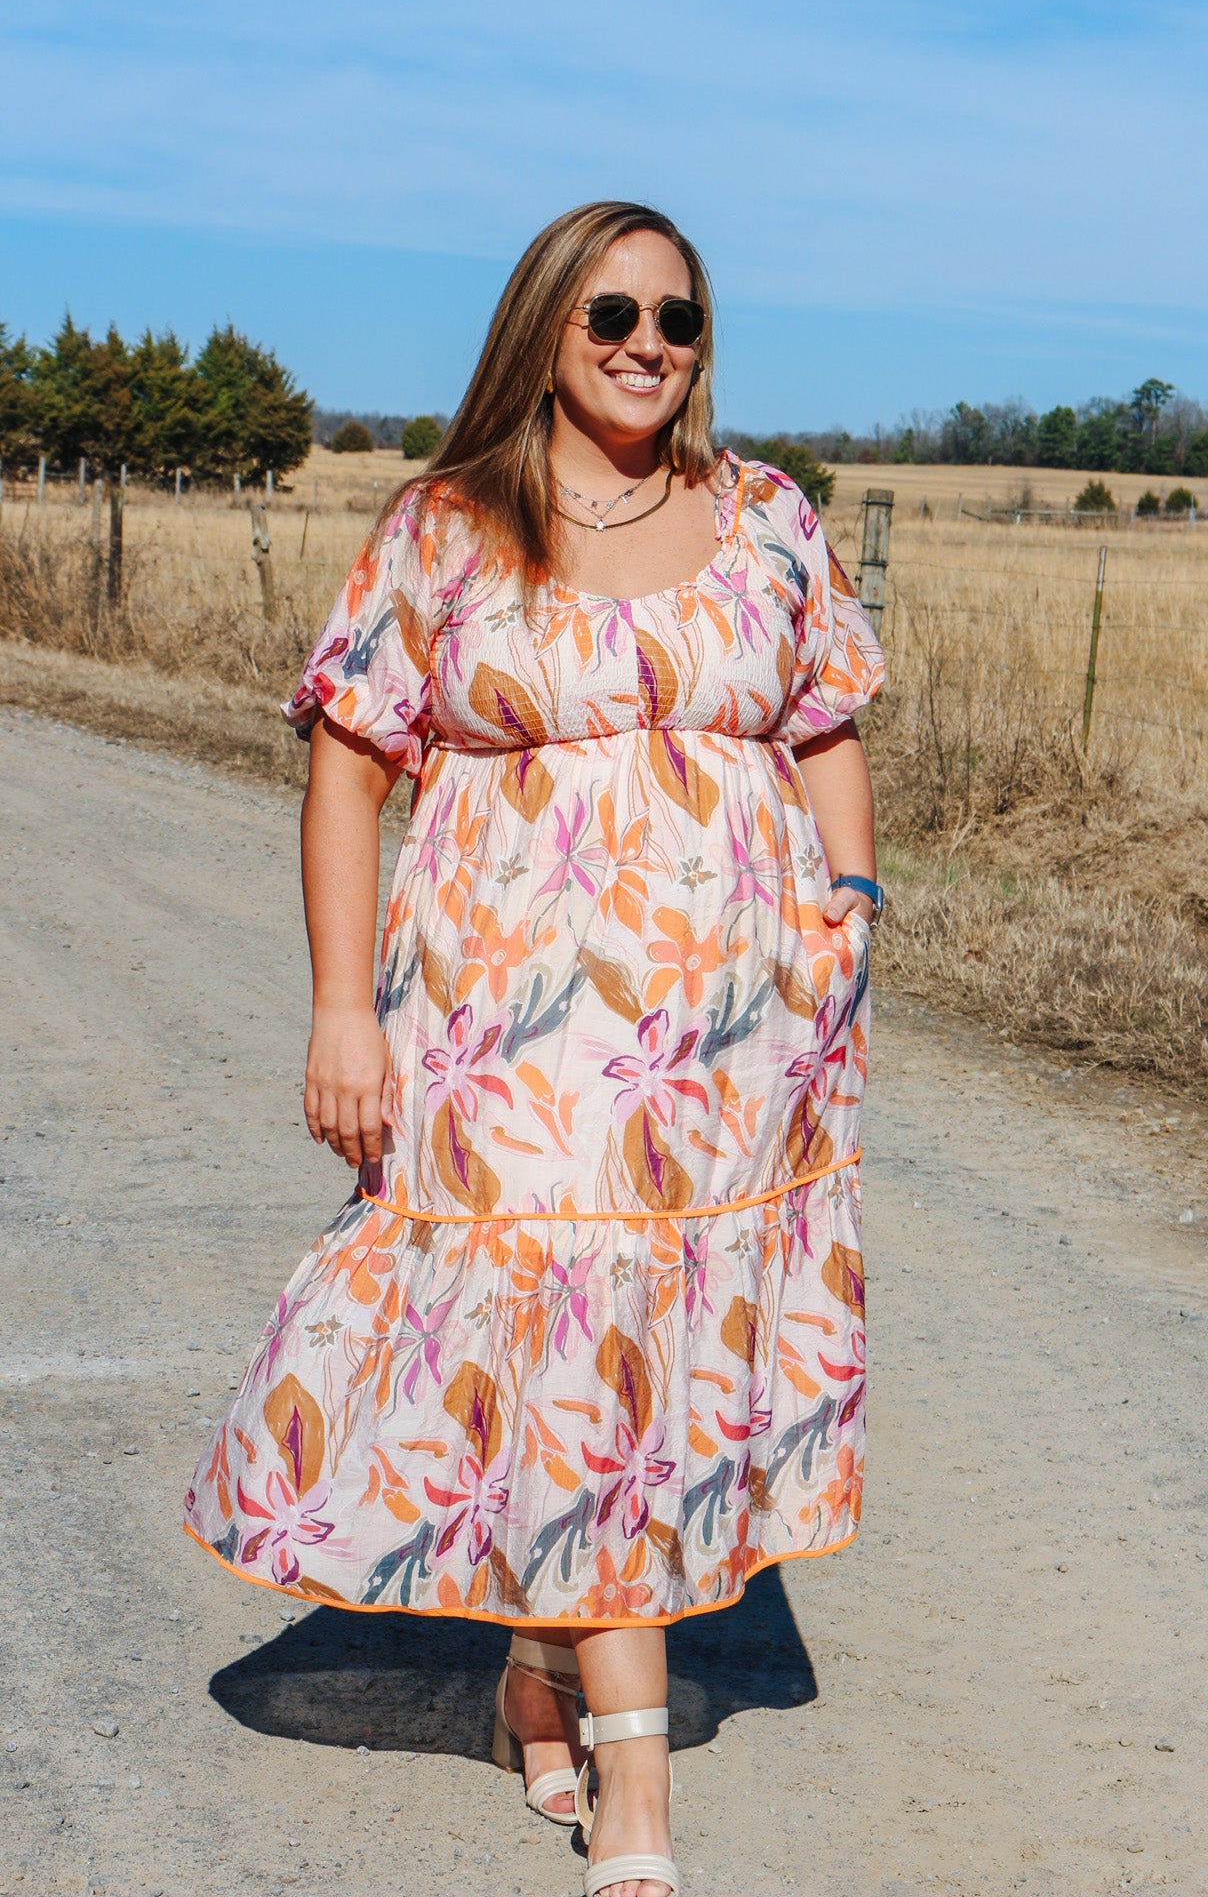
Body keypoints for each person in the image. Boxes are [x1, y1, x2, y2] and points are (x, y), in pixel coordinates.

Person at [184, 200, 885, 1897]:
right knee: (570, 1344)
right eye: (613, 316)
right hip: (510, 1027)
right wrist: (342, 1006)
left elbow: (826, 721)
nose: (650, 345)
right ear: (545, 332)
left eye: (679, 321)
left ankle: (538, 1662)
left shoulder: (768, 517)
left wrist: (848, 908)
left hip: (730, 1044)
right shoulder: (444, 530)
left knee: (641, 1334)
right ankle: (636, 1794)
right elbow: (349, 767)